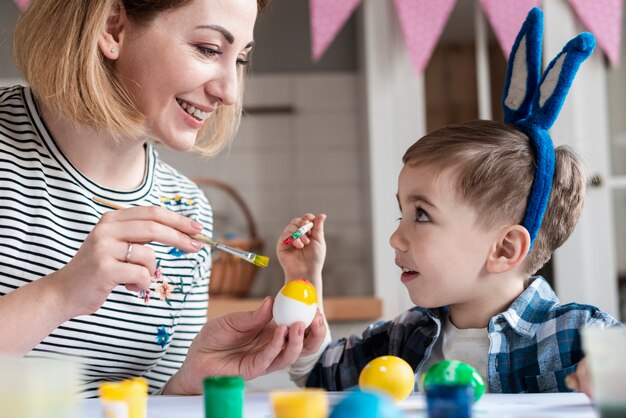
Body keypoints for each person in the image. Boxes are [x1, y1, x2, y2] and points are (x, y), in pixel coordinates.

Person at [280, 8, 623, 396]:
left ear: (504, 249)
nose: (395, 238)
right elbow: (320, 375)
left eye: (421, 214)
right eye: (402, 212)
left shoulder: (578, 336)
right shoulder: (406, 336)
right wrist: (304, 282)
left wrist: (613, 377)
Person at [0, 0, 326, 397]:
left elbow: (150, 403)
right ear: (113, 26)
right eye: (208, 49)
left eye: (239, 60)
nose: (228, 92)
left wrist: (191, 378)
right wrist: (61, 294)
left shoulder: (189, 210)